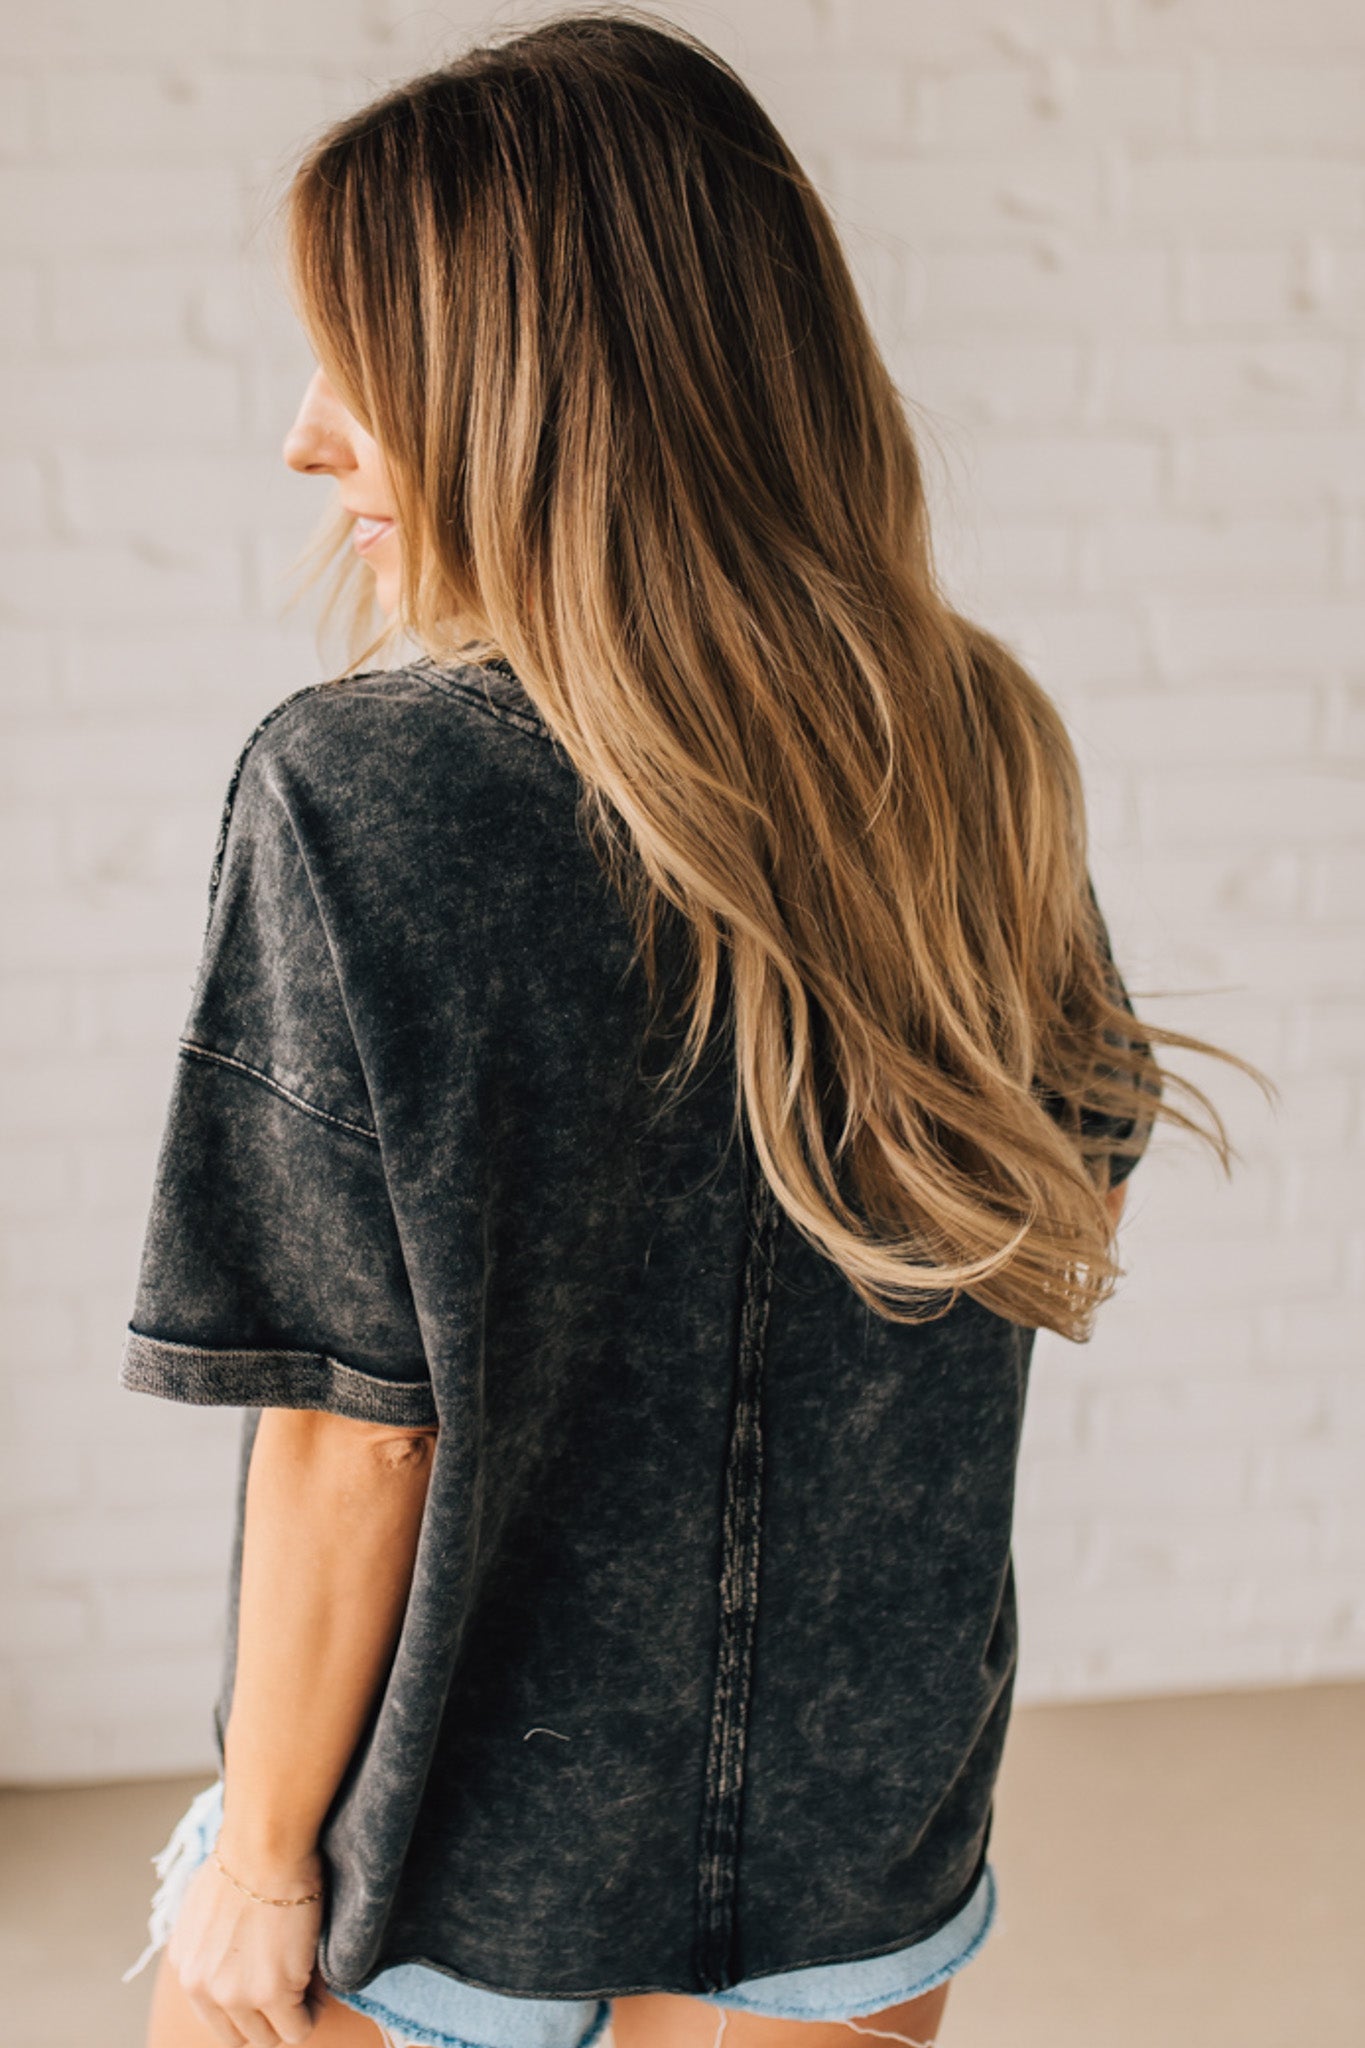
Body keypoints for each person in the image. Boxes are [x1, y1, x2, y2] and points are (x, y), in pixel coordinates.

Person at [117, 13, 1261, 2048]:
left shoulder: (361, 788)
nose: (307, 434)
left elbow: (357, 1426)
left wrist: (259, 1860)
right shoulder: (975, 739)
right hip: (860, 1845)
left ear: (522, 390)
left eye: (359, 364)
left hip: (463, 1866)